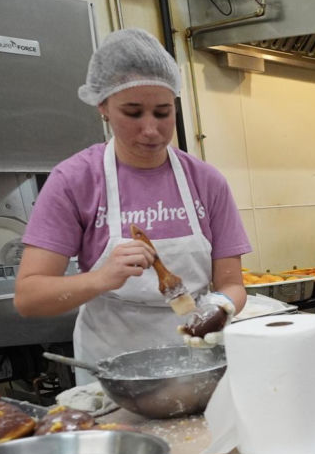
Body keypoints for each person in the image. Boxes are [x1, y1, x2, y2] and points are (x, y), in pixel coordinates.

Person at [15, 28, 249, 380]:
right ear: (104, 107)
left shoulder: (206, 181)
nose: (151, 129)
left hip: (198, 363)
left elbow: (232, 283)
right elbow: (29, 298)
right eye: (133, 112)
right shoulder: (75, 180)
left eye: (163, 112)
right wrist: (102, 278)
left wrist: (220, 307)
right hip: (113, 373)